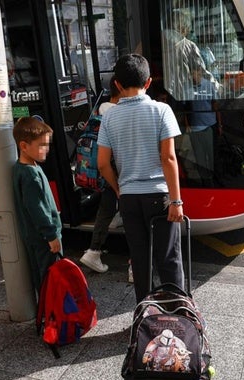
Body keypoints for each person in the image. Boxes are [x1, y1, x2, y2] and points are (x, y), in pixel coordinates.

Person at [97, 53, 185, 303]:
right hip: (159, 196)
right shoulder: (161, 110)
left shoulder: (110, 116)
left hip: (129, 199)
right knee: (168, 258)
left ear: (117, 84)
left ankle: (144, 315)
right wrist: (176, 201)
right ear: (148, 83)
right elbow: (168, 159)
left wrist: (119, 189)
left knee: (140, 259)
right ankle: (174, 314)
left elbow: (103, 164)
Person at [12, 116, 62, 296]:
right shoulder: (30, 175)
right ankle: (52, 316)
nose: (47, 150)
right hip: (43, 240)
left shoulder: (25, 167)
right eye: (42, 145)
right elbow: (37, 209)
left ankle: (50, 313)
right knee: (49, 279)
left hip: (38, 237)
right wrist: (51, 235)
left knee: (45, 278)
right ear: (24, 146)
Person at [80, 76, 123, 274]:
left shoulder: (99, 109)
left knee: (106, 210)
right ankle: (135, 266)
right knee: (127, 213)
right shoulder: (119, 113)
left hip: (100, 171)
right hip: (116, 171)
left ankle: (94, 251)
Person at [186, 64, 218, 187]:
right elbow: (184, 106)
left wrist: (219, 124)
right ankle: (206, 183)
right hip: (194, 128)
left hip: (209, 125)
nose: (196, 76)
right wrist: (187, 124)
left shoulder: (209, 85)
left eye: (198, 74)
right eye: (194, 74)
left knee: (211, 156)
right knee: (200, 159)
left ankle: (213, 181)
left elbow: (215, 104)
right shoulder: (187, 88)